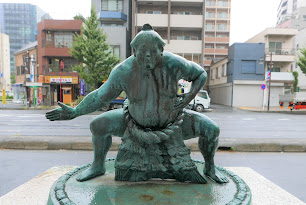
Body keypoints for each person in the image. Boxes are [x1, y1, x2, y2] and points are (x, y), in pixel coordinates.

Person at [46, 24, 228, 184]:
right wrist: (76, 111)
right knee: (97, 125)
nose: (147, 56)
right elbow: (100, 96)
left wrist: (188, 98)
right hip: (132, 121)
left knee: (212, 130)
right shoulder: (123, 71)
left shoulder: (174, 63)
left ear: (161, 50)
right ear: (134, 51)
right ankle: (98, 165)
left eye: (152, 51)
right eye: (142, 51)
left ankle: (210, 168)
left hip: (173, 121)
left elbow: (200, 75)